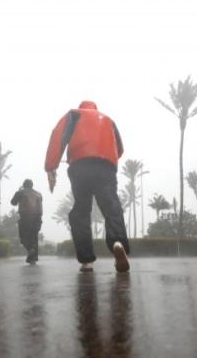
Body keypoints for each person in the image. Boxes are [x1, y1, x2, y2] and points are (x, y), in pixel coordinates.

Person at [45, 100, 130, 273]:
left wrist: (51, 167)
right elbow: (119, 149)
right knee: (111, 205)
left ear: (82, 106)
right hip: (105, 166)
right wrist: (106, 157)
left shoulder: (74, 114)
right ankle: (117, 242)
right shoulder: (108, 120)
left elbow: (58, 137)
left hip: (80, 166)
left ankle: (87, 261)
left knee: (81, 210)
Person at [10, 179, 43, 264]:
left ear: (24, 185)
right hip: (38, 219)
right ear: (32, 185)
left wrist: (19, 191)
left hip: (26, 218)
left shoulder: (21, 192)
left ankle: (31, 250)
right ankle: (33, 259)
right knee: (34, 238)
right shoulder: (39, 194)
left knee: (23, 238)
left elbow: (13, 202)